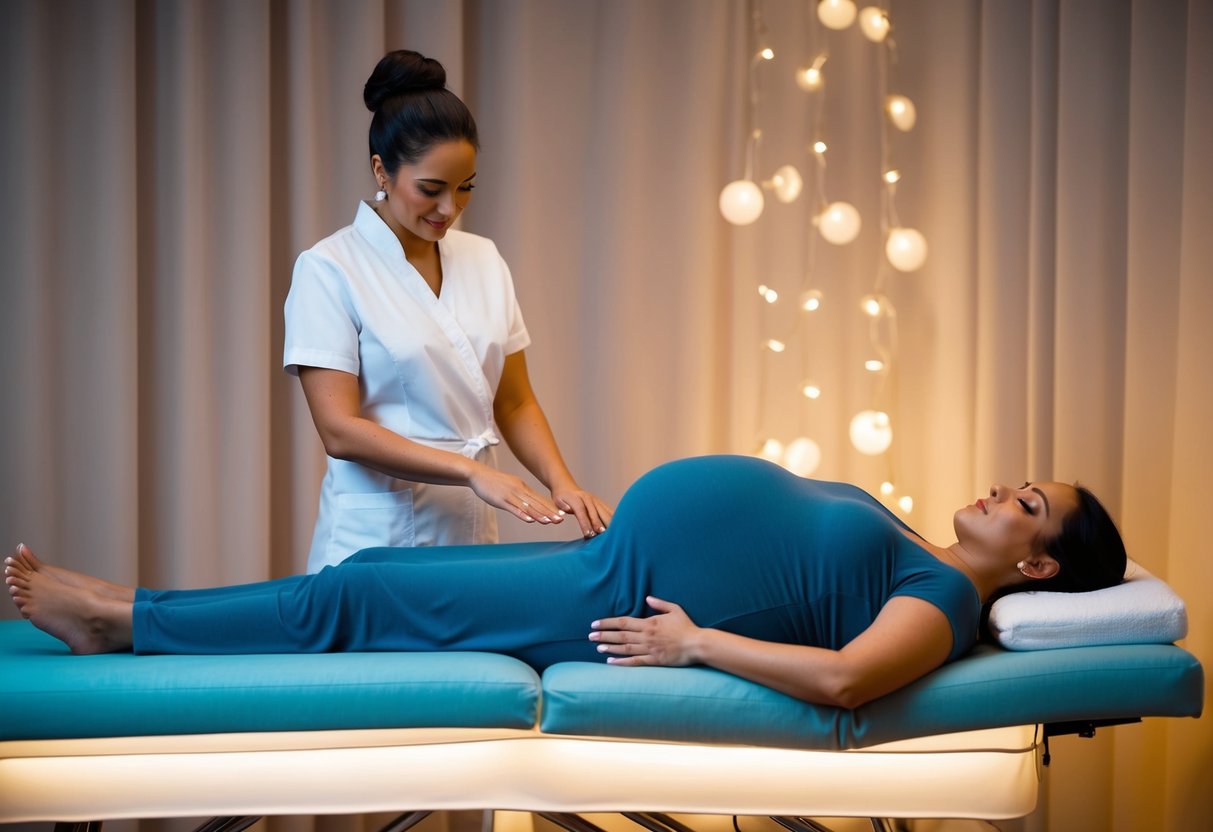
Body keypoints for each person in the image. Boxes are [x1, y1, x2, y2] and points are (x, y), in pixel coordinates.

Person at [5, 455, 1126, 709]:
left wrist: (696, 645)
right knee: (377, 575)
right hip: (602, 563)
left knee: (358, 598)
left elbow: (842, 680)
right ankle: (132, 617)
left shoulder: (939, 604)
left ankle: (116, 619)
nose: (999, 489)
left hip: (604, 604)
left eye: (1023, 506)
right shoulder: (925, 553)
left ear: (1032, 566)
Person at [284, 49, 611, 572]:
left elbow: (515, 402)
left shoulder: (482, 258)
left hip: (471, 530)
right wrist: (471, 471)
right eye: (431, 190)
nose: (448, 209)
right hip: (378, 541)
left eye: (465, 189)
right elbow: (339, 429)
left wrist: (562, 481)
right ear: (382, 171)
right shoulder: (329, 268)